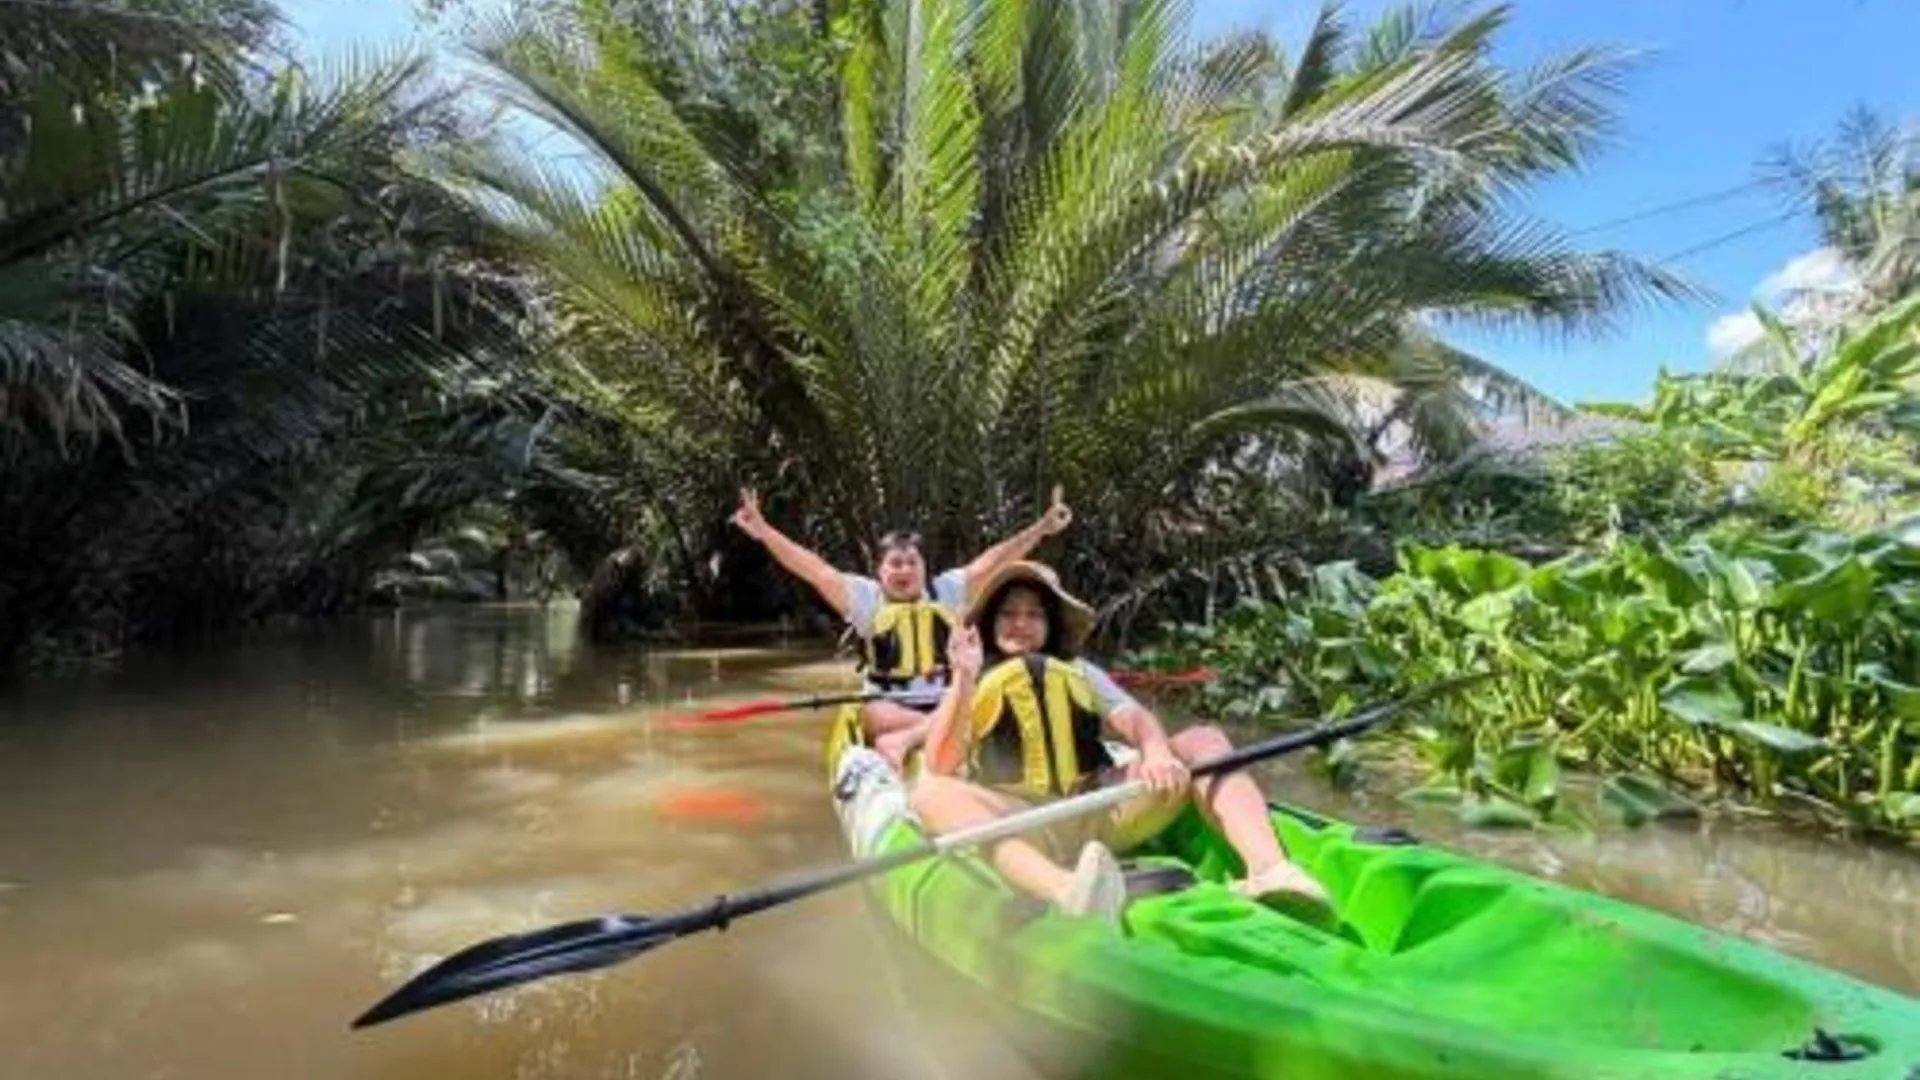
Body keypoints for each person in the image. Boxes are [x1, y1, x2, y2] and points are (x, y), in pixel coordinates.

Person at [911, 560, 1334, 924]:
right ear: (989, 622)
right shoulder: (971, 675)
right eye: (1008, 614)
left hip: (1098, 811)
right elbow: (942, 763)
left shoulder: (1079, 671)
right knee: (930, 792)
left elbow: (1134, 719)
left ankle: (1271, 869)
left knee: (1204, 739)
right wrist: (963, 677)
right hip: (1022, 823)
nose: (1021, 623)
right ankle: (1067, 890)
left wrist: (1157, 752)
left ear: (1050, 624)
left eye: (1034, 614)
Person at [729, 486, 1074, 768]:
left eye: (912, 562)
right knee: (874, 715)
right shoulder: (866, 599)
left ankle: (912, 740)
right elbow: (813, 568)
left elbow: (995, 560)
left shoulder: (947, 591)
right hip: (890, 706)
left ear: (924, 568)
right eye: (895, 563)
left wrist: (1041, 528)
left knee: (982, 703)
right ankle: (948, 736)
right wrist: (763, 531)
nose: (904, 570)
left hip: (947, 700)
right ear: (879, 571)